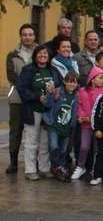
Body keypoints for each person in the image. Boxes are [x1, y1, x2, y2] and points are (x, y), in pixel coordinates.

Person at [18, 45, 61, 180]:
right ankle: (30, 170)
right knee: (32, 140)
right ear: (35, 55)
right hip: (33, 110)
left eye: (45, 54)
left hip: (48, 111)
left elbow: (59, 84)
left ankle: (44, 168)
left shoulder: (53, 70)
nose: (43, 55)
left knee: (45, 141)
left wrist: (56, 92)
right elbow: (22, 89)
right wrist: (37, 97)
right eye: (40, 53)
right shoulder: (28, 70)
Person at [5, 23, 37, 174]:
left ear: (34, 36)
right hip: (17, 98)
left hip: (35, 98)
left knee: (35, 131)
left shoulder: (40, 52)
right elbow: (11, 75)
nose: (28, 37)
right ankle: (13, 162)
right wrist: (24, 88)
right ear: (21, 36)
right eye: (25, 35)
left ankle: (34, 161)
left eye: (30, 34)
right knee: (16, 131)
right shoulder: (12, 54)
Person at [43, 72, 79, 181]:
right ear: (64, 82)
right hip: (54, 125)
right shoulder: (58, 91)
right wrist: (50, 94)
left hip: (67, 127)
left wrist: (74, 123)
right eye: (69, 82)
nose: (72, 85)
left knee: (64, 150)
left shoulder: (76, 96)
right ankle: (57, 167)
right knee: (54, 147)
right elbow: (48, 105)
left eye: (74, 83)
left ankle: (61, 167)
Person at [72, 67, 103, 180]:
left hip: (99, 126)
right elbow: (79, 105)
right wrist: (81, 117)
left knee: (97, 148)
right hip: (86, 124)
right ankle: (80, 166)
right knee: (84, 147)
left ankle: (95, 168)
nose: (102, 81)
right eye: (100, 78)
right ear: (92, 79)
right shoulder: (82, 91)